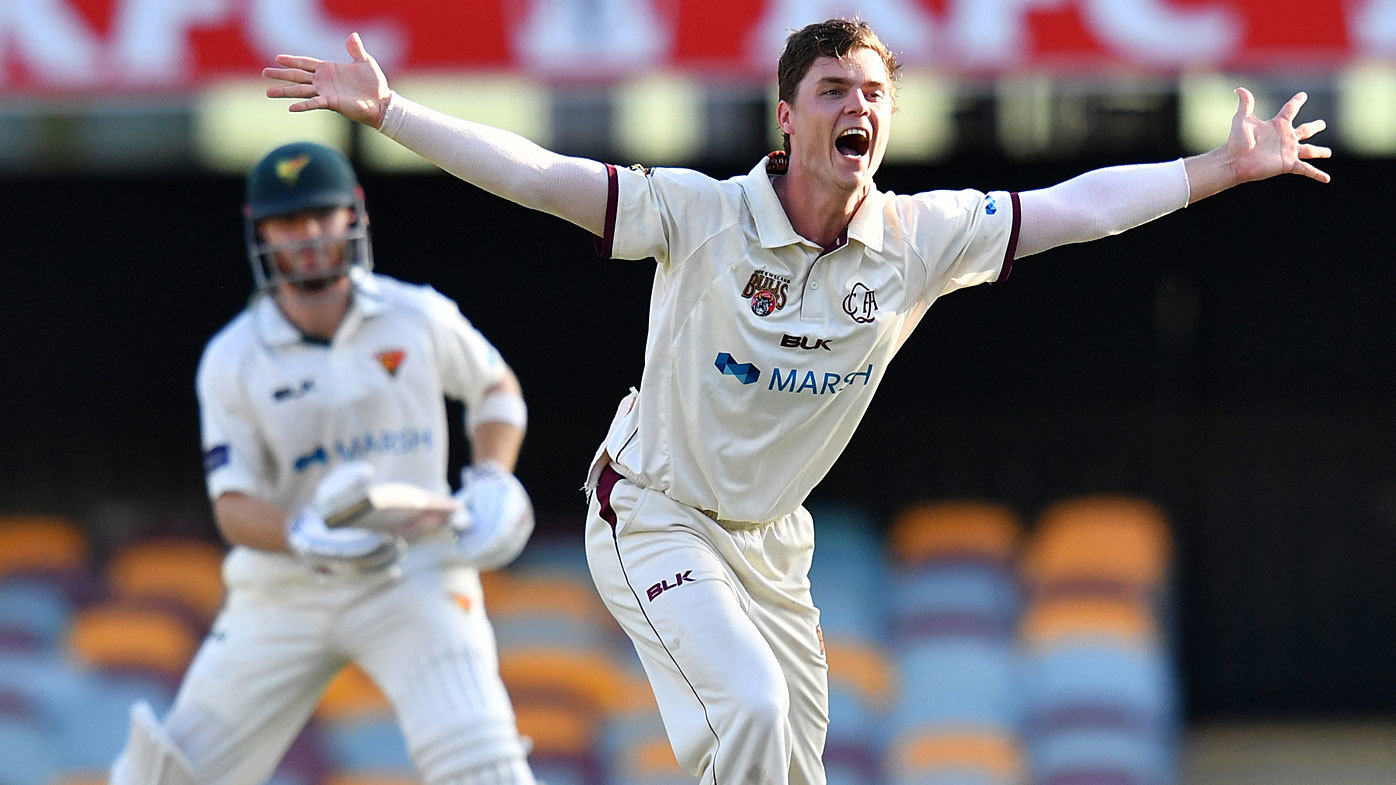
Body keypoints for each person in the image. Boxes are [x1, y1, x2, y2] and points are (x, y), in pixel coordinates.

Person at [262, 18, 1330, 785]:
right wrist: (391, 111)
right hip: (652, 509)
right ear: (786, 116)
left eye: (873, 93)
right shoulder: (700, 214)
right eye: (832, 91)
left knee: (796, 763)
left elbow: (1075, 208)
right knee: (753, 708)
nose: (856, 107)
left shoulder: (919, 238)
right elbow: (542, 176)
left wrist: (1216, 168)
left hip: (772, 544)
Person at [108, 140, 540, 785]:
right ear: (262, 233)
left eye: (322, 214)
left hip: (413, 569)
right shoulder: (234, 357)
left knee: (481, 766)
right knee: (170, 776)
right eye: (289, 221)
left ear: (352, 215)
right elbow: (231, 504)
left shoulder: (415, 315)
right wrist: (301, 534)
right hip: (289, 587)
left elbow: (495, 390)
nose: (308, 235)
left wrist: (493, 476)